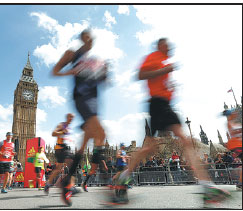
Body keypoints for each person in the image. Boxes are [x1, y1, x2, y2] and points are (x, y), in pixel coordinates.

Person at [114, 38, 230, 205]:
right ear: (160, 45)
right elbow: (140, 75)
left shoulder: (163, 61)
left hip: (165, 104)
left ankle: (206, 187)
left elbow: (160, 82)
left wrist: (170, 87)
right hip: (157, 104)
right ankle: (207, 187)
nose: (170, 47)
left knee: (177, 142)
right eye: (167, 45)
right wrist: (163, 71)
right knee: (159, 145)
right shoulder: (153, 57)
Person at [52, 29, 108, 206]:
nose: (90, 40)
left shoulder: (95, 60)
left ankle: (66, 183)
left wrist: (104, 72)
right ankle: (111, 189)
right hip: (81, 98)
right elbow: (55, 71)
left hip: (94, 100)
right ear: (83, 39)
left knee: (87, 143)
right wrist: (70, 72)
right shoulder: (72, 54)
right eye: (87, 37)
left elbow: (103, 80)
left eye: (92, 38)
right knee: (101, 133)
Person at [44, 113, 75, 194]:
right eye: (70, 117)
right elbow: (53, 133)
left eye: (72, 118)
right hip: (60, 149)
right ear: (67, 117)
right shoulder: (62, 125)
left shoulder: (69, 128)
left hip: (66, 149)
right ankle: (69, 186)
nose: (71, 119)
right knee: (59, 169)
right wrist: (62, 132)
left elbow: (67, 139)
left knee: (70, 166)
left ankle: (70, 186)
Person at [223, 108, 242, 190]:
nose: (236, 114)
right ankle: (240, 183)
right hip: (236, 145)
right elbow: (232, 133)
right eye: (233, 113)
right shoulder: (229, 123)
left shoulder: (235, 122)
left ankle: (240, 184)